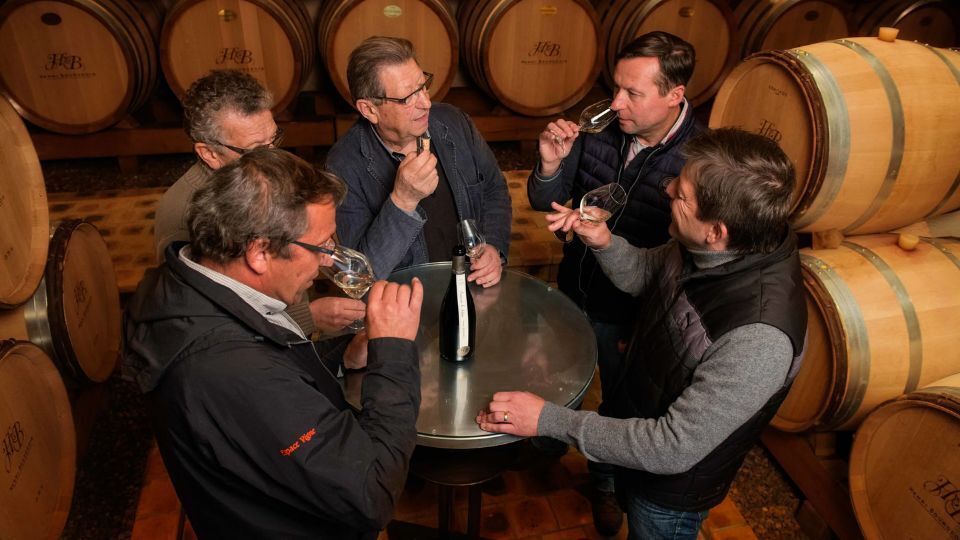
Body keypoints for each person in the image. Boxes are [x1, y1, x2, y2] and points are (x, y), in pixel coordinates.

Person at [478, 128, 807, 539]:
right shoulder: (709, 248)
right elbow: (646, 274)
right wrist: (602, 241)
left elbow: (671, 447)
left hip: (668, 492)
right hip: (634, 426)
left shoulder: (758, 337)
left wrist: (548, 420)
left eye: (681, 193)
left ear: (716, 231)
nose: (667, 188)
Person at [125, 148, 424, 539]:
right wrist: (394, 352)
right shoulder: (229, 372)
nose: (329, 261)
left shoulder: (187, 279)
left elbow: (274, 373)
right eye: (321, 246)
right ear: (260, 252)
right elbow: (371, 494)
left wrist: (341, 358)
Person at [526, 31, 701, 534]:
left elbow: (686, 261)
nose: (616, 103)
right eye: (616, 88)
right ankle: (546, 445)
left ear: (675, 94)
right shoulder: (603, 129)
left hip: (631, 313)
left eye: (633, 93)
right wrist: (551, 165)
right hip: (575, 286)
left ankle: (604, 482)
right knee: (557, 371)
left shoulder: (699, 162)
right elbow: (545, 200)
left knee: (621, 406)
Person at [154, 69, 365, 336]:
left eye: (274, 139)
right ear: (209, 153)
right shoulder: (182, 216)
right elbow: (202, 320)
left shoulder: (262, 174)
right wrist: (306, 317)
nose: (272, 155)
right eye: (256, 149)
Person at [326, 36, 512, 282]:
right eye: (407, 98)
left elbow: (494, 189)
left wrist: (494, 247)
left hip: (472, 285)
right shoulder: (343, 166)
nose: (426, 103)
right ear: (369, 109)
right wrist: (403, 201)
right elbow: (363, 275)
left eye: (423, 86)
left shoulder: (454, 122)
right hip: (410, 299)